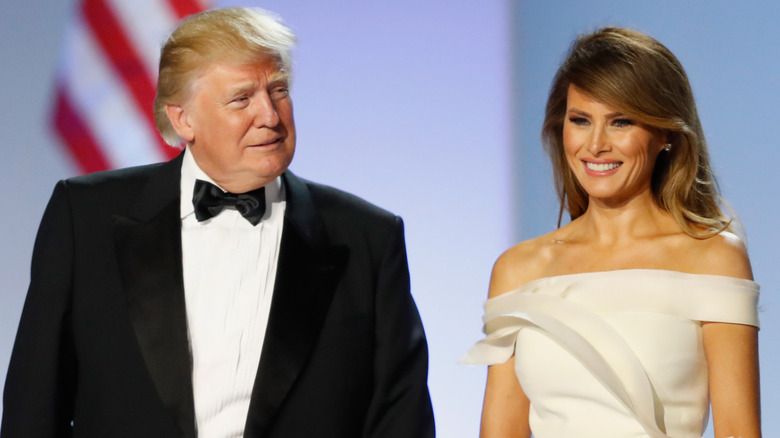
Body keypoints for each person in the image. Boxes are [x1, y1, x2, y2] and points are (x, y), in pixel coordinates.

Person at [1, 7, 434, 438]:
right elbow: (34, 405)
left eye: (279, 90)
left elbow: (401, 415)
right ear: (182, 118)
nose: (269, 115)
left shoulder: (368, 238)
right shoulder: (85, 216)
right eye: (242, 98)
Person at [462, 27, 760, 437]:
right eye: (580, 120)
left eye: (621, 122)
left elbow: (738, 432)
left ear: (666, 135)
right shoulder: (519, 269)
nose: (596, 144)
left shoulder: (712, 257)